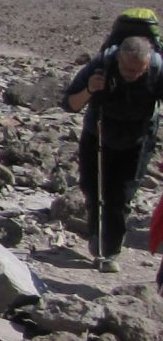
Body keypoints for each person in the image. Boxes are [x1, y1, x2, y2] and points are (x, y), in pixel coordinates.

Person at [64, 34, 163, 272]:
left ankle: (109, 251)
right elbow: (70, 104)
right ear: (119, 58)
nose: (131, 75)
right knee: (92, 187)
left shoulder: (158, 72)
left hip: (137, 139)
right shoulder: (101, 65)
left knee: (121, 196)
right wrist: (90, 89)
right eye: (128, 70)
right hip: (97, 135)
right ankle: (97, 238)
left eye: (138, 71)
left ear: (148, 63)